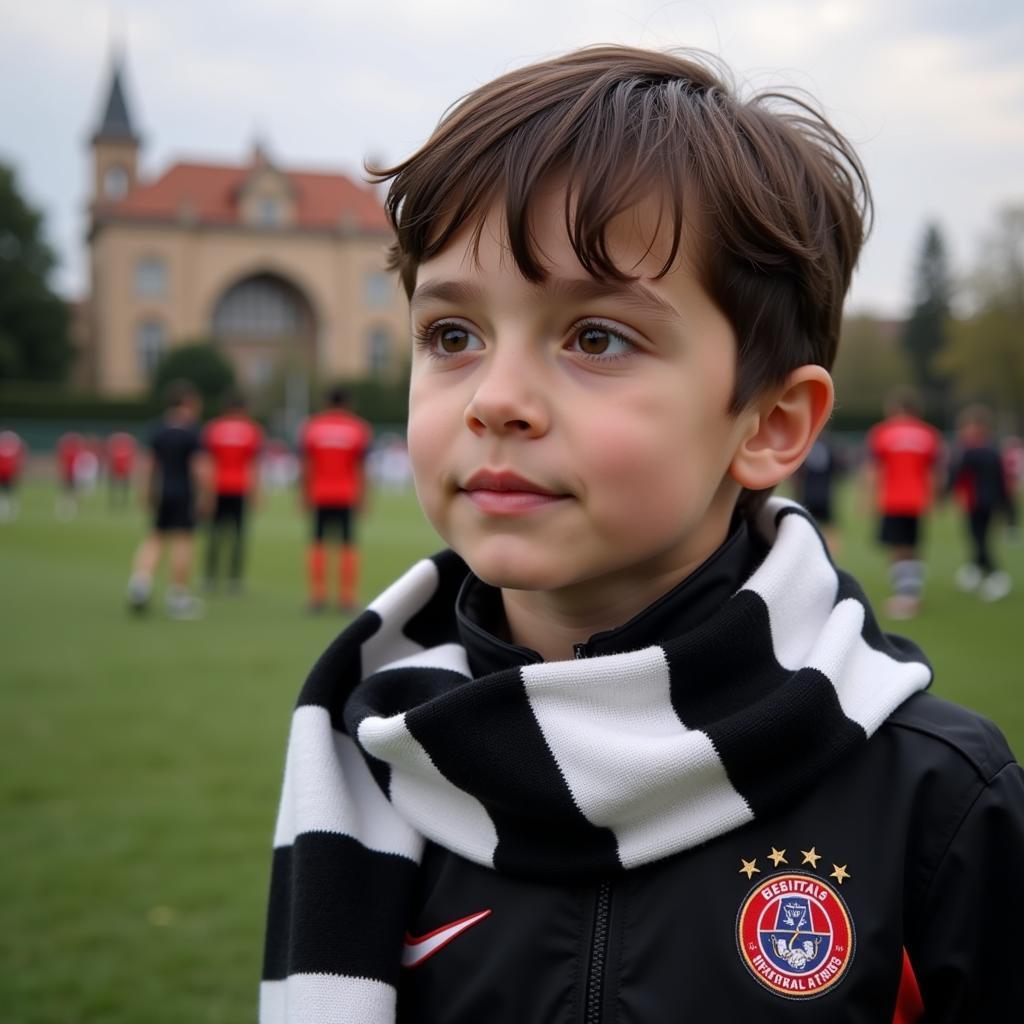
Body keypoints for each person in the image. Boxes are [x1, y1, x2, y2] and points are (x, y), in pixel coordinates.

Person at [260, 47, 1024, 1023]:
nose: (496, 399)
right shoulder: (369, 760)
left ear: (768, 424)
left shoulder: (935, 799)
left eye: (595, 338)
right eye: (452, 334)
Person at [126, 380, 210, 619]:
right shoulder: (192, 431)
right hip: (183, 492)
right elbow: (199, 468)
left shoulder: (158, 428)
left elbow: (149, 465)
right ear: (188, 402)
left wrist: (145, 492)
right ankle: (178, 597)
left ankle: (140, 584)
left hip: (162, 491)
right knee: (183, 541)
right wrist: (204, 495)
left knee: (155, 537)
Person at [863, 389, 944, 619]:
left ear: (895, 409)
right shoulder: (929, 434)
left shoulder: (882, 432)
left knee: (898, 548)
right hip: (917, 500)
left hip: (893, 500)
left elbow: (873, 469)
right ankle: (912, 592)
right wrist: (936, 499)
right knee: (913, 546)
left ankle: (905, 598)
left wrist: (868, 497)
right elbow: (936, 472)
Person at [298, 386, 372, 612]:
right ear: (348, 403)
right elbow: (361, 467)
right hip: (346, 494)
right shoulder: (358, 428)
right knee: (347, 545)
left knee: (318, 543)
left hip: (319, 494)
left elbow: (306, 466)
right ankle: (346, 598)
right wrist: (364, 497)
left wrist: (303, 494)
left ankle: (317, 596)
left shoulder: (312, 427)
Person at [948, 404, 1013, 601]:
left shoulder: (973, 451)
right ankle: (974, 571)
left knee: (979, 539)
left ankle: (996, 575)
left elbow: (956, 475)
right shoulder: (992, 450)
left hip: (979, 502)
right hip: (982, 502)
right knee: (977, 537)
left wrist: (944, 493)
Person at [202, 390, 264, 593]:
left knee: (214, 534)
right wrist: (256, 493)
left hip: (217, 487)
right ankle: (234, 579)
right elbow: (253, 464)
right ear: (244, 408)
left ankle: (210, 577)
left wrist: (206, 492)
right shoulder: (251, 430)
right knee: (238, 535)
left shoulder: (214, 428)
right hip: (240, 488)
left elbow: (208, 462)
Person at [791, 430, 844, 554]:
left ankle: (806, 554)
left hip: (807, 494)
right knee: (829, 527)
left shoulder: (803, 449)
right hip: (825, 494)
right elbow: (839, 470)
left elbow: (797, 475)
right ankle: (831, 556)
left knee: (805, 526)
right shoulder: (829, 448)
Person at [54, 429, 86, 520]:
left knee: (74, 492)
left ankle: (74, 508)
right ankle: (65, 507)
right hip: (69, 474)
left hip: (75, 474)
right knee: (66, 492)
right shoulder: (68, 451)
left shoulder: (77, 452)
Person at [106, 430, 138, 509]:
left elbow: (130, 461)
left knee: (125, 488)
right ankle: (113, 501)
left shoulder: (127, 451)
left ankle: (124, 501)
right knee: (114, 487)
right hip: (116, 471)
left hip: (124, 471)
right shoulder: (115, 451)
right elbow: (111, 462)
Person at [0, 429, 26, 521]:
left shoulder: (14, 448)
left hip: (10, 473)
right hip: (4, 472)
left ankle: (13, 509)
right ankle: (6, 510)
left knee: (10, 492)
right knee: (5, 493)